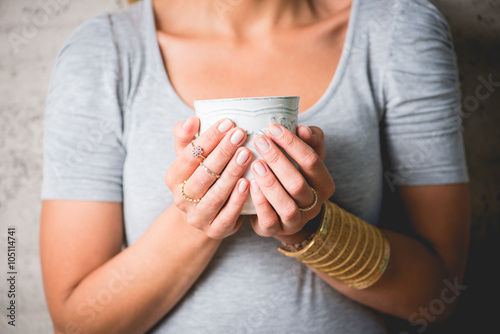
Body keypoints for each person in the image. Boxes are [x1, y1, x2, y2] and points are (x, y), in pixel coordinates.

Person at [40, 0, 470, 333]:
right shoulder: (103, 53)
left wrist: (314, 229)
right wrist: (197, 218)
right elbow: (76, 322)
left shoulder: (396, 28)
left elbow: (437, 294)